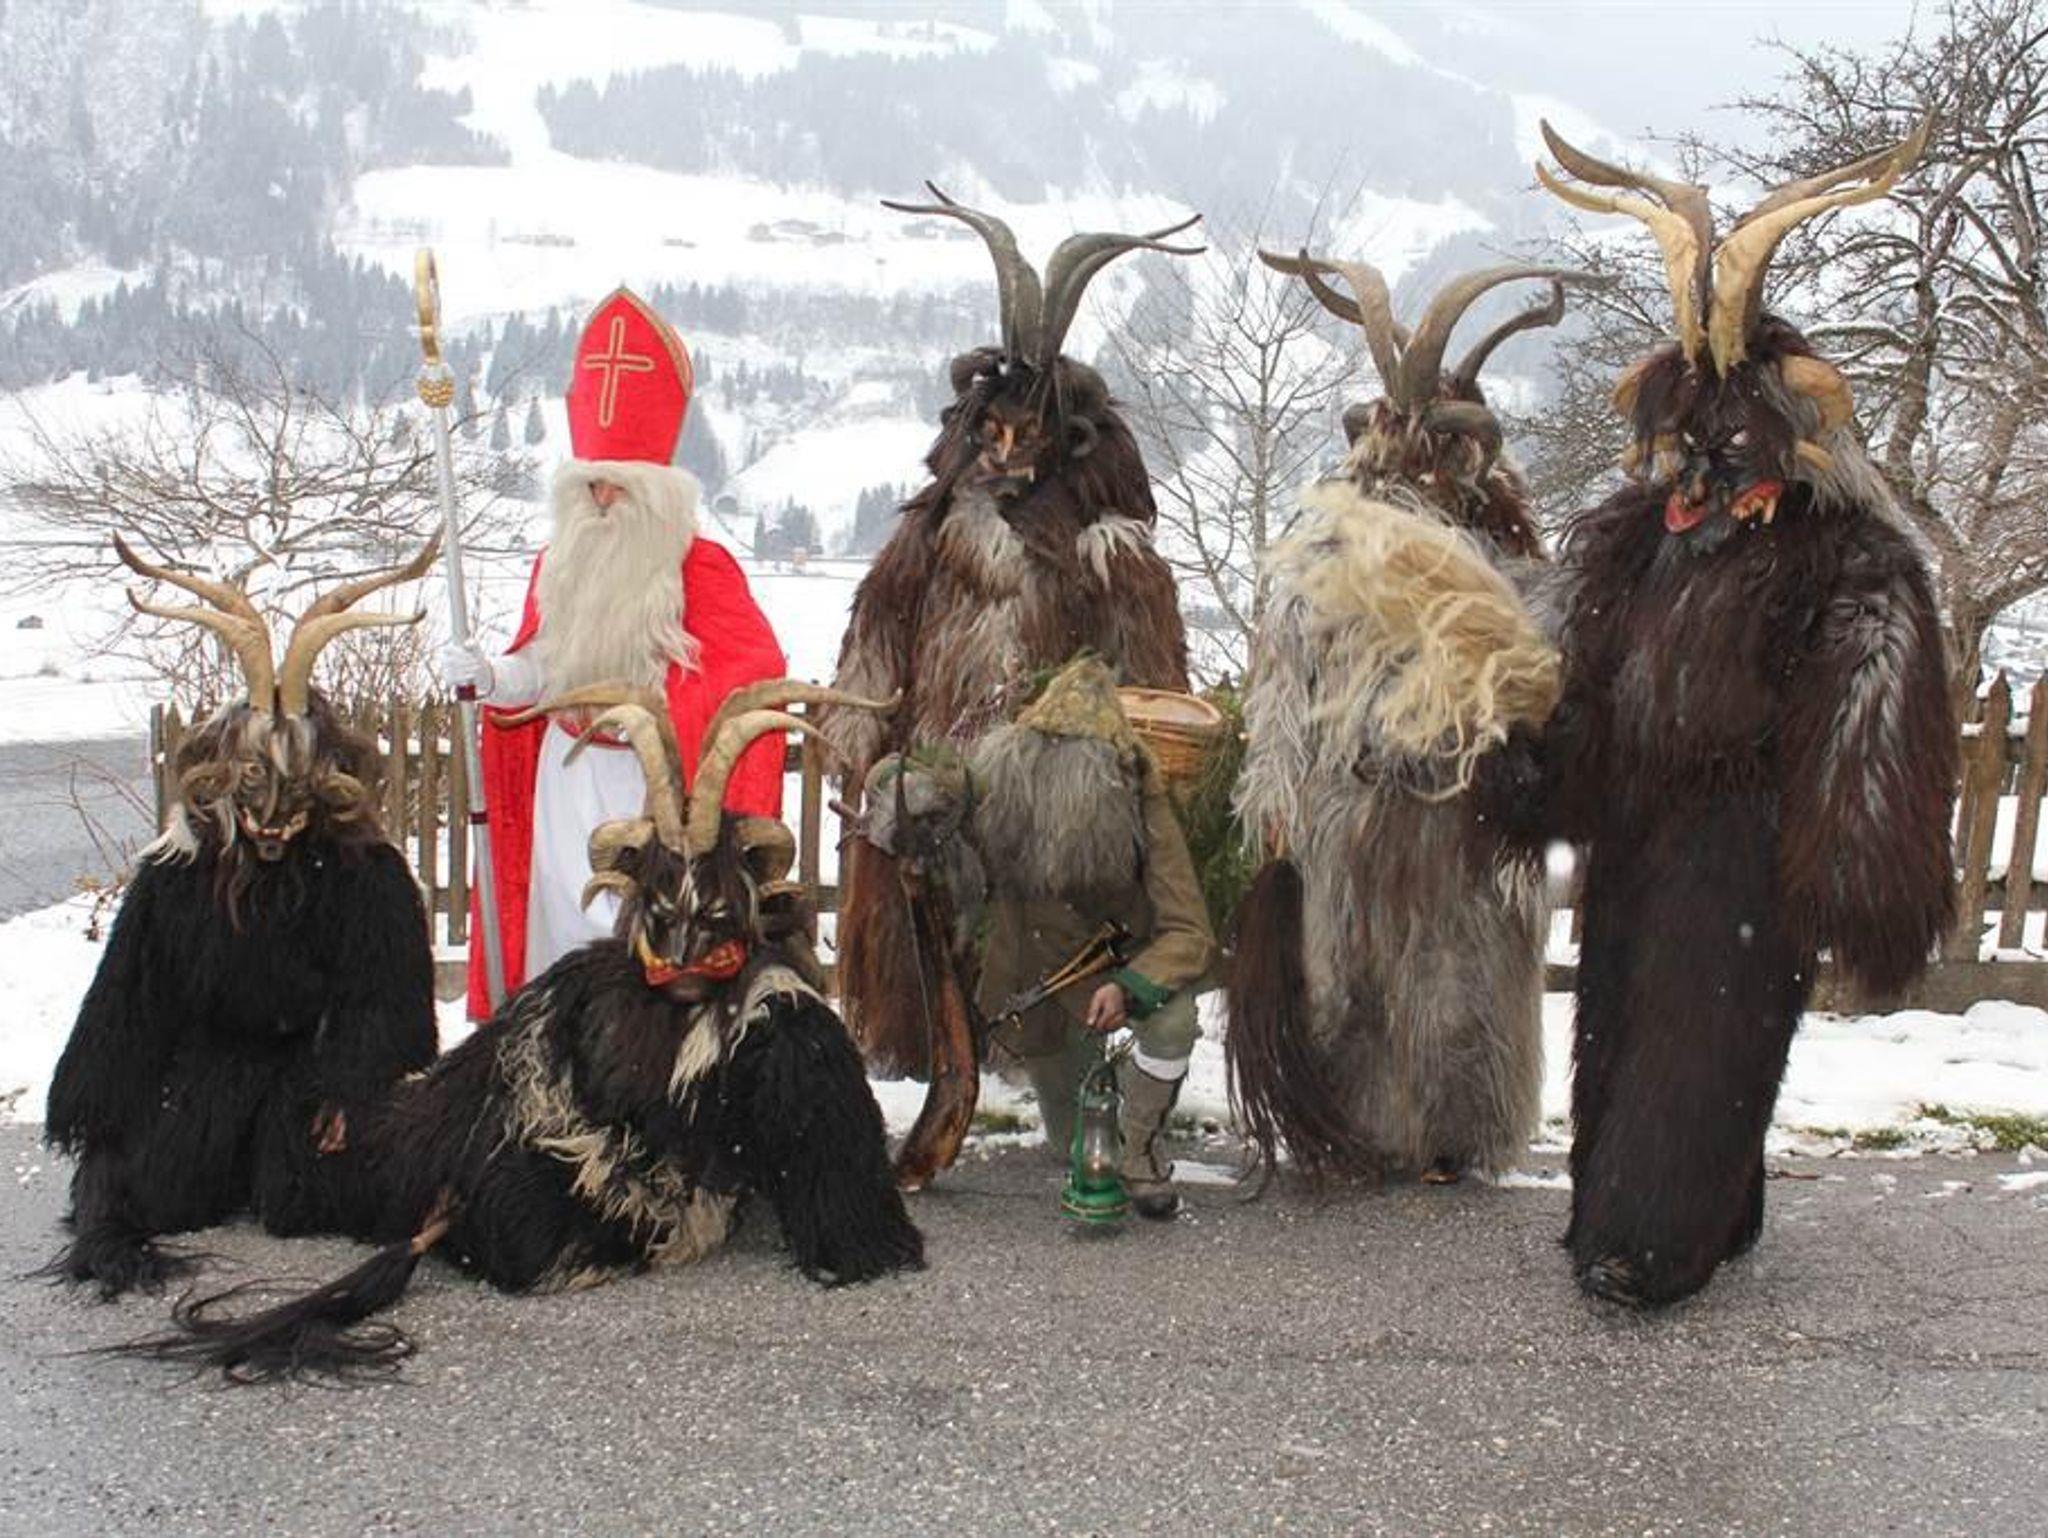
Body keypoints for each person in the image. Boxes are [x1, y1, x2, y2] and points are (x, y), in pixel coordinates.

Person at [444, 288, 785, 1016]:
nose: (600, 499)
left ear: (656, 495)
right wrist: (492, 676)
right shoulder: (557, 564)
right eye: (590, 485)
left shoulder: (703, 571)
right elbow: (542, 670)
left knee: (638, 953)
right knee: (560, 943)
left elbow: (751, 677)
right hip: (563, 786)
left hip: (647, 796)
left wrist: (658, 715)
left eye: (618, 487)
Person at [869, 656, 1215, 1217]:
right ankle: (1105, 1113)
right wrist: (903, 792)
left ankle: (1139, 1149)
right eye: (1048, 752)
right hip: (1041, 991)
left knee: (1173, 1023)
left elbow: (1189, 931)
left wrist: (1130, 987)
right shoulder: (1003, 781)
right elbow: (897, 772)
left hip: (1115, 967)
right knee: (1072, 1145)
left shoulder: (1139, 798)